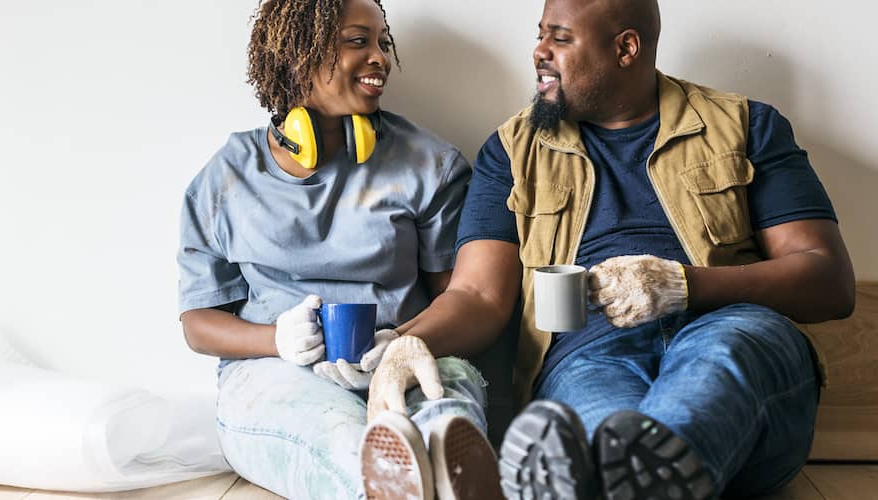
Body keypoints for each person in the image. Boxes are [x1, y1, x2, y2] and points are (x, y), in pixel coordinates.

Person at [366, 0, 856, 499]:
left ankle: (619, 475)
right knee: (604, 439)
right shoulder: (513, 150)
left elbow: (829, 281)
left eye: (560, 37)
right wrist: (407, 341)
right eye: (540, 35)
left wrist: (684, 286)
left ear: (625, 48)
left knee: (717, 360)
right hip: (589, 357)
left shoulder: (746, 125)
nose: (539, 50)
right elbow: (476, 294)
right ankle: (641, 477)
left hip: (731, 330)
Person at [176, 1, 506, 499]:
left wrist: (401, 344)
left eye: (382, 43)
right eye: (358, 41)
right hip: (278, 376)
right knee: (341, 443)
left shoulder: (428, 164)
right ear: (297, 52)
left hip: (408, 354)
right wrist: (277, 341)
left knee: (447, 403)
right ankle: (389, 485)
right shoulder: (225, 179)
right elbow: (198, 323)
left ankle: (453, 471)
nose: (380, 58)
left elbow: (460, 299)